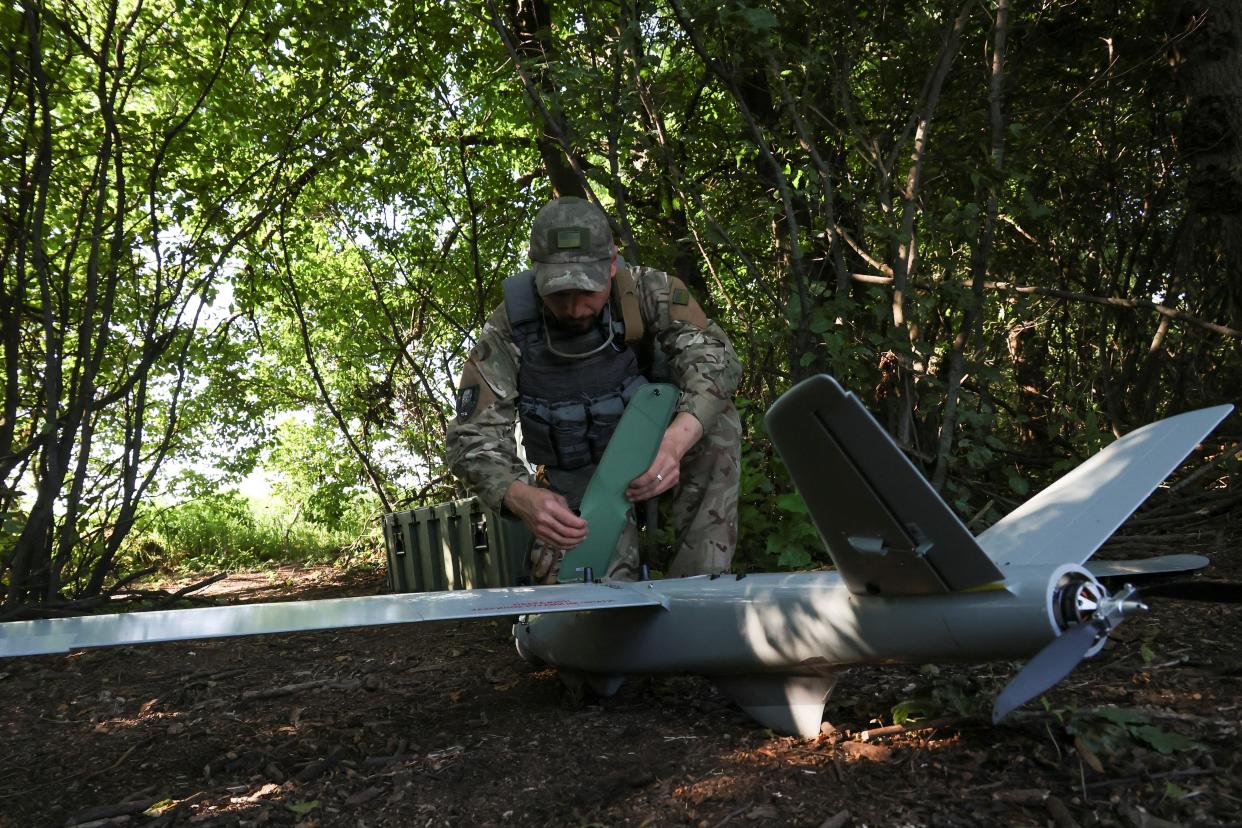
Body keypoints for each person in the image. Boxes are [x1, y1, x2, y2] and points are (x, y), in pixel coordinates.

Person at [446, 197, 741, 582]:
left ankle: (703, 592)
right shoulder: (508, 330)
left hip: (657, 452)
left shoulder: (650, 291)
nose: (575, 308)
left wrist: (673, 445)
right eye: (558, 294)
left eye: (587, 291)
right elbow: (471, 437)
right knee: (586, 615)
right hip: (577, 483)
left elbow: (717, 363)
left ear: (612, 264)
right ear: (535, 273)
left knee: (718, 429)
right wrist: (521, 497)